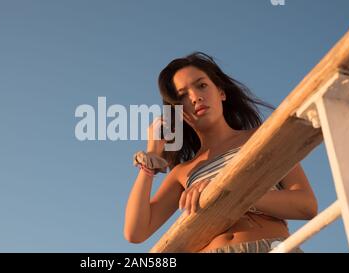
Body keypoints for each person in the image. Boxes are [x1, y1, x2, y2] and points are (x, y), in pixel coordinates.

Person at [124, 52, 318, 253]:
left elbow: (306, 205)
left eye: (202, 85)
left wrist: (225, 192)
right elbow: (135, 232)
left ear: (221, 92)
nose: (195, 97)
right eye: (182, 95)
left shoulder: (262, 137)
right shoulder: (183, 172)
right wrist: (151, 158)